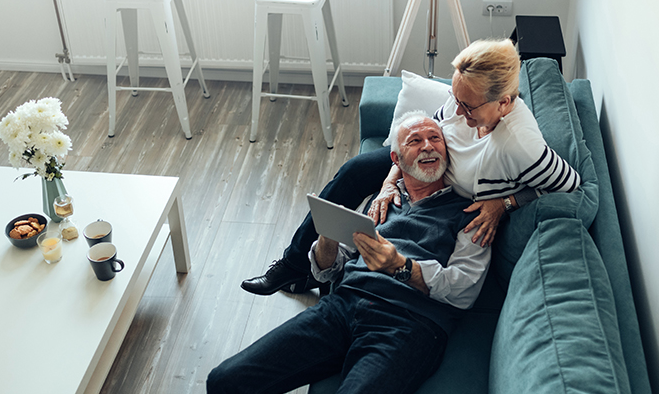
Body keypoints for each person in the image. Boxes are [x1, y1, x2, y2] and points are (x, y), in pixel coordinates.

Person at [241, 38, 580, 296]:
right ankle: (293, 264)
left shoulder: (521, 145)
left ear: (503, 103)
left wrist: (504, 203)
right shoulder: (466, 95)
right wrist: (391, 180)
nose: (458, 111)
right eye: (457, 99)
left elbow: (571, 186)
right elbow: (439, 122)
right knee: (354, 172)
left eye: (467, 106)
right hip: (429, 157)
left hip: (448, 191)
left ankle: (323, 274)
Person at [208, 113, 491, 394]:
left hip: (409, 324)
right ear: (396, 160)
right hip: (342, 306)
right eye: (415, 141)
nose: (428, 146)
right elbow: (328, 269)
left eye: (435, 138)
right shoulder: (382, 201)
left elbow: (463, 290)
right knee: (224, 381)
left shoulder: (469, 213)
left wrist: (401, 267)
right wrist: (327, 240)